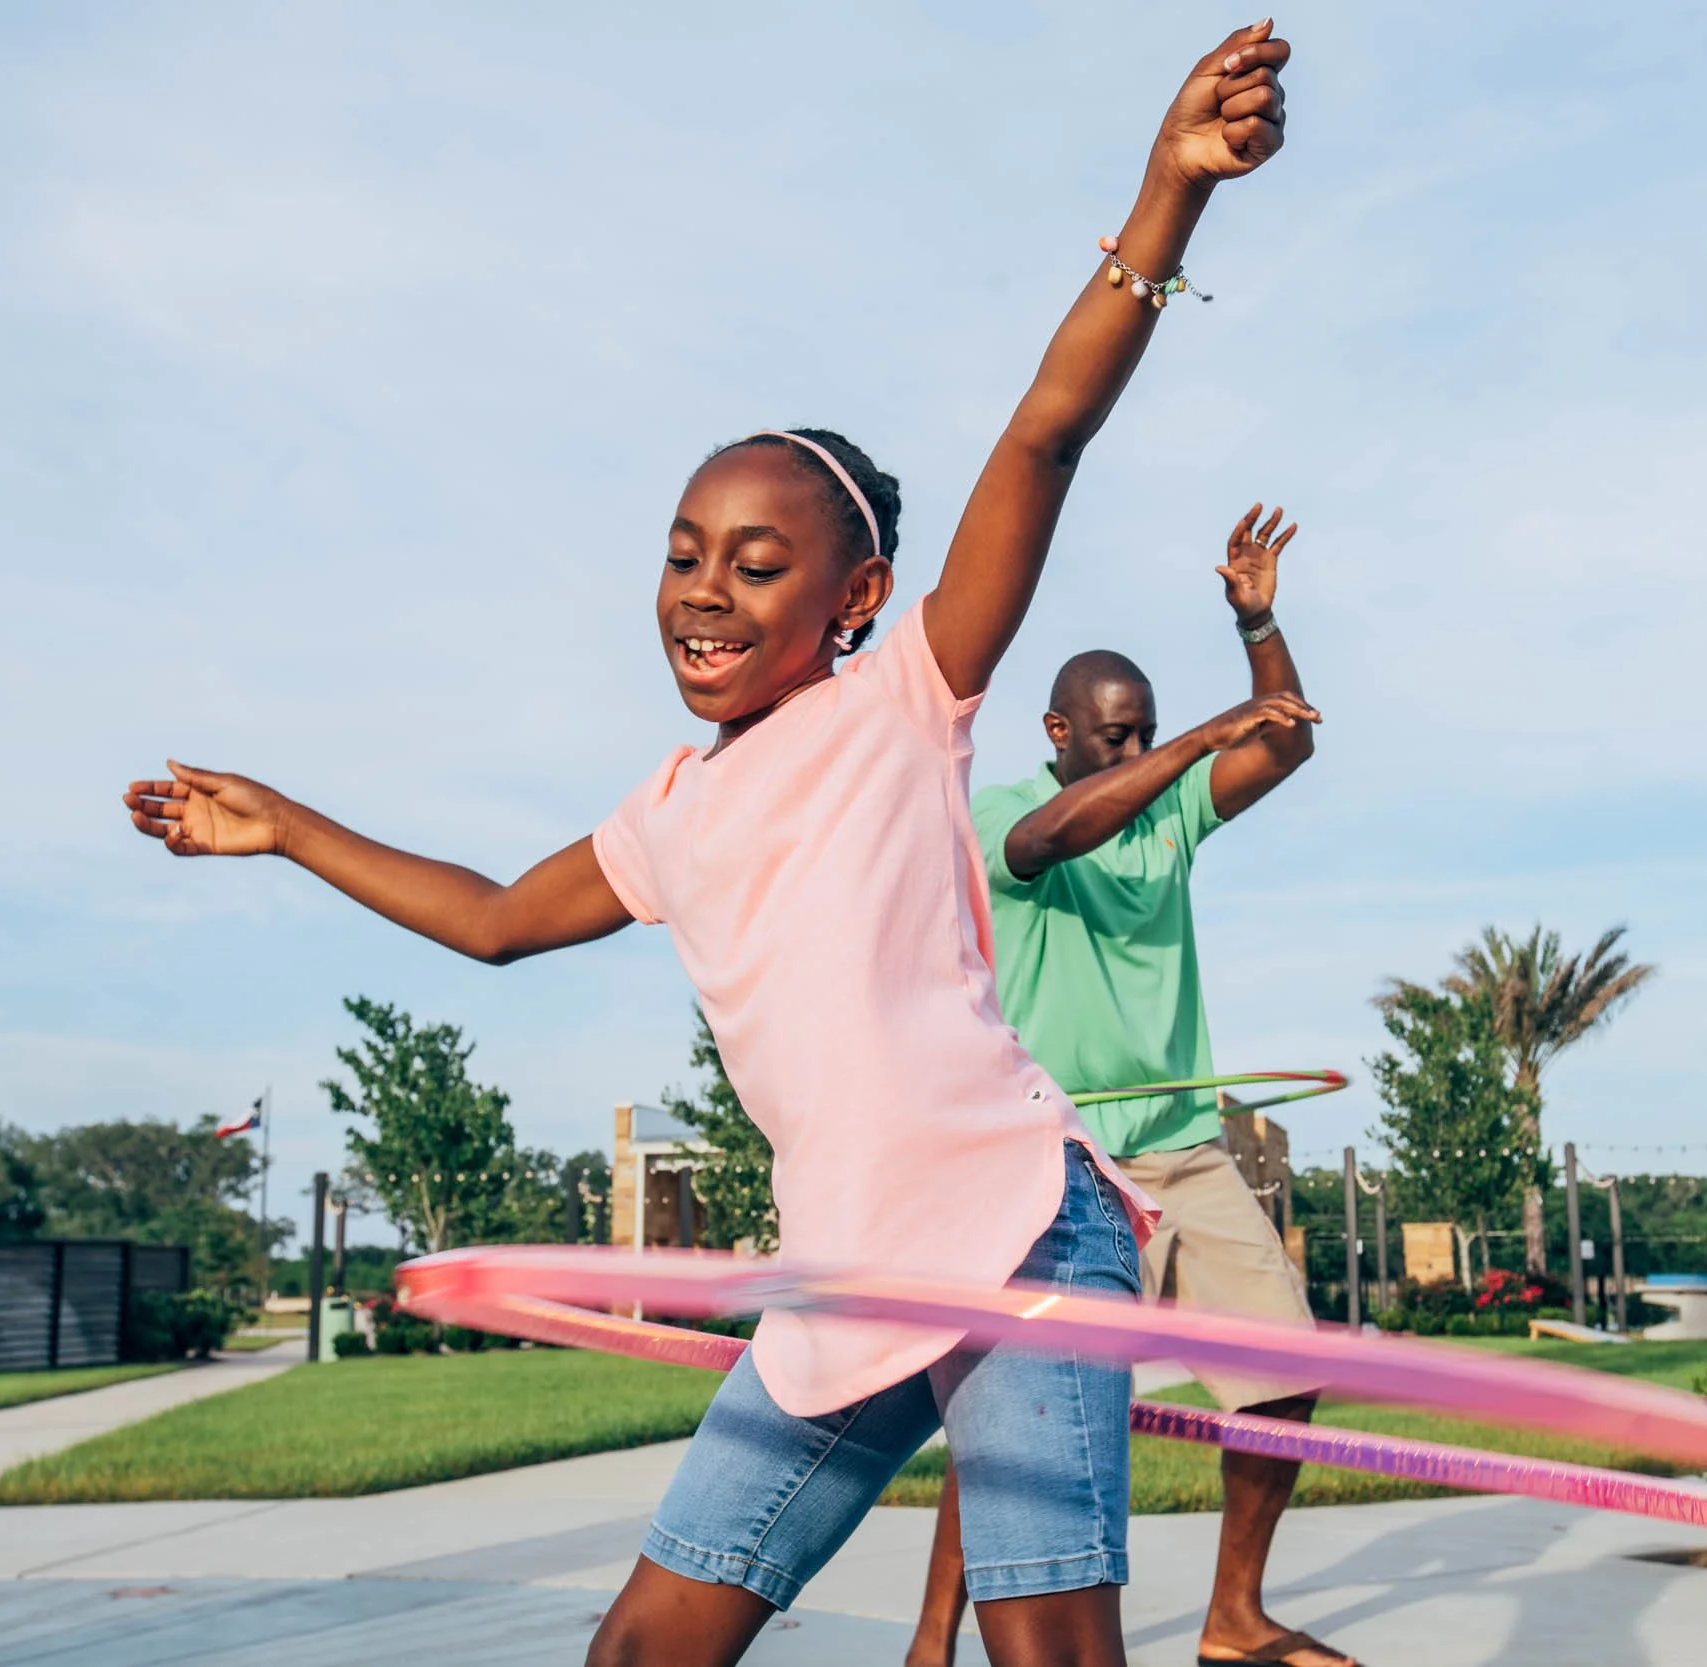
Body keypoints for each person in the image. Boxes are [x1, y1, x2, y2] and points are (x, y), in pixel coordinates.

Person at [120, 22, 1292, 1667]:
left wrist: (1166, 196)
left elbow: (1041, 434)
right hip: (848, 1281)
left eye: (754, 563)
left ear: (852, 600)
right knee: (643, 1649)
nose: (701, 590)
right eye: (684, 555)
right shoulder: (672, 810)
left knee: (1047, 1655)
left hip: (1022, 1229)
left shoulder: (906, 697)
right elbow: (498, 919)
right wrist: (287, 826)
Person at [905, 504, 1343, 1667]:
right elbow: (1054, 838)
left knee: (1285, 1371)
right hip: (1056, 1161)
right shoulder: (1000, 810)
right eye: (1111, 734)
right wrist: (1194, 739)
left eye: (1139, 731)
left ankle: (1232, 1616)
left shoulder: (1168, 818)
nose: (1129, 748)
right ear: (1057, 731)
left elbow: (1287, 740)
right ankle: (930, 1640)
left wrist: (1258, 626)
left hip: (1182, 1144)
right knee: (1018, 1423)